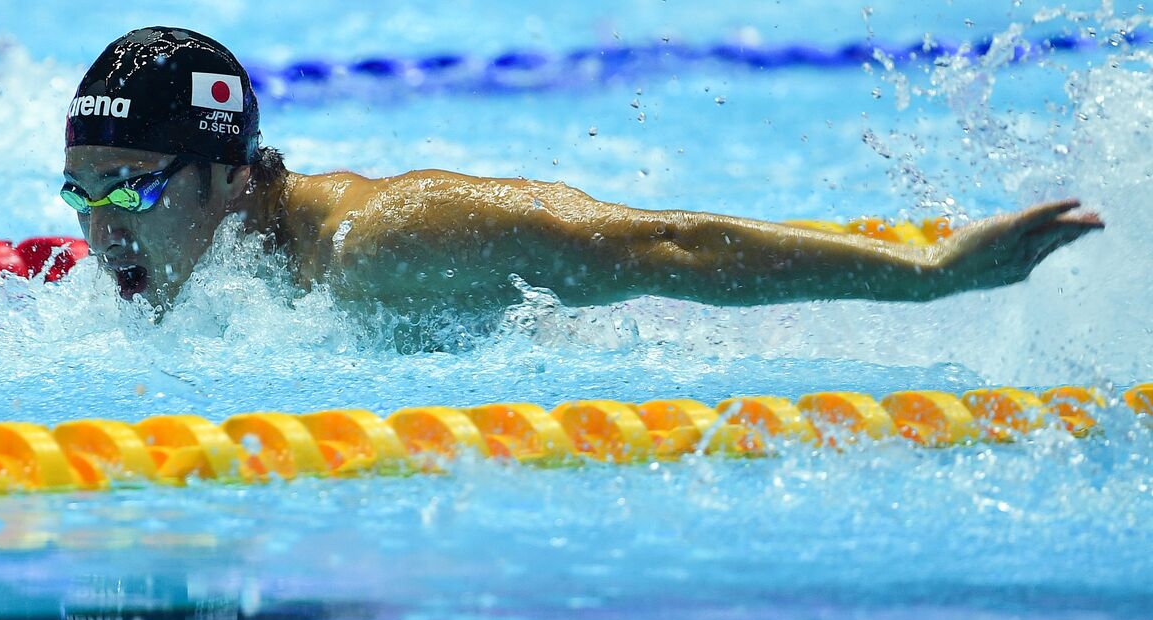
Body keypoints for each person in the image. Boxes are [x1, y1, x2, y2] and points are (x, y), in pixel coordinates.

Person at [63, 26, 1103, 331]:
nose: (102, 230)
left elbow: (654, 246)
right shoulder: (196, 280)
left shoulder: (384, 243)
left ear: (233, 178)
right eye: (82, 193)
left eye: (132, 189)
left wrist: (921, 273)